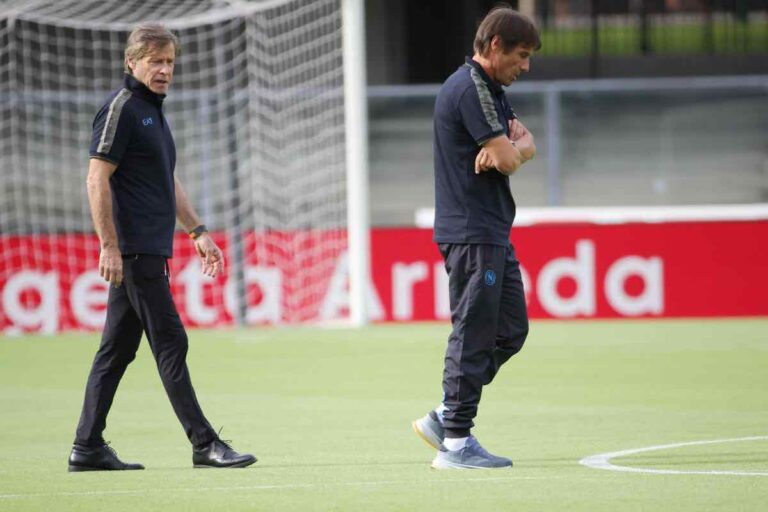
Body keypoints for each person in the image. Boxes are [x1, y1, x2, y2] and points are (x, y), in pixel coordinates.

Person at [68, 24, 255, 471]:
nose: (164, 69)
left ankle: (87, 446)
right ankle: (204, 443)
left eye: (169, 61)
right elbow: (97, 178)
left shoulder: (152, 112)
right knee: (171, 342)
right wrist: (108, 246)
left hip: (150, 248)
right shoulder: (122, 109)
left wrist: (198, 231)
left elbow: (165, 180)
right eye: (155, 61)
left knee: (116, 351)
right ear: (132, 63)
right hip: (134, 252)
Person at [412, 6, 540, 470]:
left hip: (489, 231)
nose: (525, 66)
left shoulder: (490, 89)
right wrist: (509, 151)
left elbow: (523, 146)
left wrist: (513, 150)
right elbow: (509, 154)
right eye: (520, 55)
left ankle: (447, 414)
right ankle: (456, 444)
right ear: (493, 47)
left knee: (511, 331)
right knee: (473, 331)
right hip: (472, 231)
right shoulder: (471, 89)